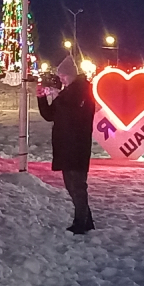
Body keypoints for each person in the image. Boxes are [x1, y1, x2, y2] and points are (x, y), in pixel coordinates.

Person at [37, 55, 97, 234]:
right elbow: (50, 115)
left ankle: (81, 223)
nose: (61, 78)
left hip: (77, 145)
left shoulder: (83, 90)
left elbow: (74, 113)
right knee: (71, 185)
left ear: (71, 74)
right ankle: (87, 221)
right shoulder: (66, 92)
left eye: (63, 75)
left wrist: (57, 96)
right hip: (65, 145)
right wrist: (42, 99)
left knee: (77, 185)